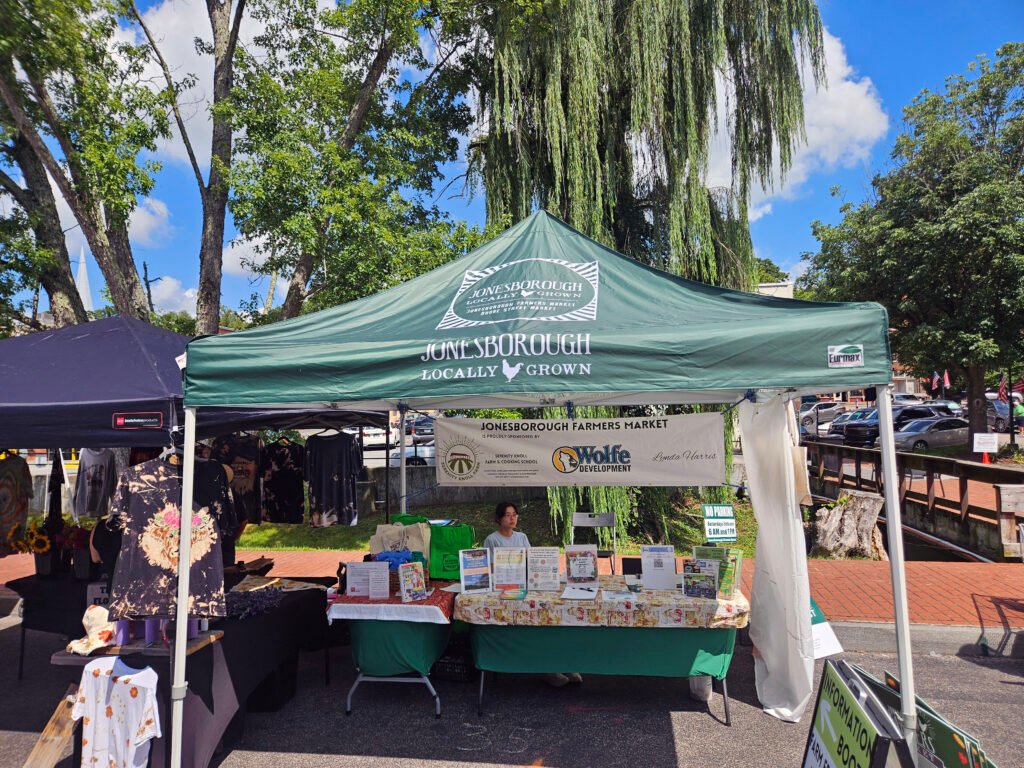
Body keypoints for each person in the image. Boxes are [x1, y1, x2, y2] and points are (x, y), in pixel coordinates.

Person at [483, 502, 581, 687]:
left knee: (553, 619)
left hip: (528, 586)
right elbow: (491, 568)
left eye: (515, 514)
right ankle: (547, 669)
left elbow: (533, 561)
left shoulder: (522, 537)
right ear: (498, 518)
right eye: (507, 515)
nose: (512, 518)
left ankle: (565, 664)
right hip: (506, 589)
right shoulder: (492, 540)